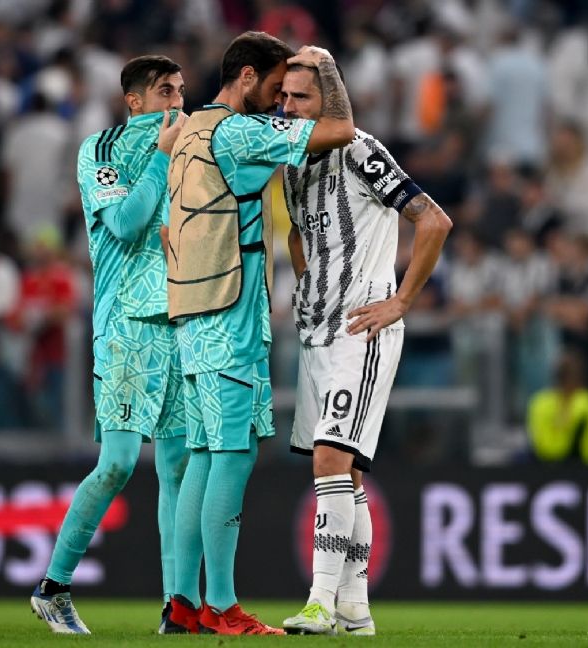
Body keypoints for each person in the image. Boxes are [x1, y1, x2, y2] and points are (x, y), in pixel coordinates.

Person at [162, 31, 355, 636]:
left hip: (190, 311)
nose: (278, 102)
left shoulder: (191, 129)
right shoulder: (238, 131)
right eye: (274, 87)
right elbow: (340, 131)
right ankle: (221, 605)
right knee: (233, 454)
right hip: (228, 313)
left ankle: (182, 602)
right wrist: (326, 71)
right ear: (246, 76)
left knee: (201, 457)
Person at [277, 60, 452, 636]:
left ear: (328, 101)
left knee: (330, 458)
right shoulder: (292, 165)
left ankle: (319, 602)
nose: (288, 108)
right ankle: (355, 607)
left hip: (362, 328)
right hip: (317, 331)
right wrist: (309, 285)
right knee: (345, 474)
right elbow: (297, 233)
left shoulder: (360, 151)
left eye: (301, 97)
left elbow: (433, 221)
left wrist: (400, 301)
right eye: (284, 97)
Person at [29, 54, 190, 636]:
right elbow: (124, 223)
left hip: (181, 320)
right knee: (118, 463)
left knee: (178, 469)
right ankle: (53, 587)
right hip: (125, 324)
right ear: (135, 101)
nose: (177, 101)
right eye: (165, 91)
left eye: (181, 90)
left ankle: (177, 608)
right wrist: (162, 155)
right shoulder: (99, 149)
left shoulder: (193, 148)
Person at [526, 352, 588, 465]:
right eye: (570, 375)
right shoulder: (540, 403)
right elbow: (543, 446)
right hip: (547, 466)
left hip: (580, 466)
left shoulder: (587, 402)